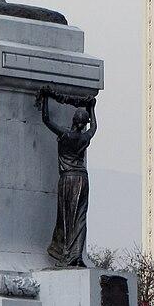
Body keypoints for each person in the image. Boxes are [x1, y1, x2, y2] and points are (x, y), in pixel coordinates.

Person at [38, 89, 97, 267]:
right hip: (83, 178)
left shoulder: (65, 135)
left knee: (67, 217)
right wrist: (92, 108)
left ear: (73, 120)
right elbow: (94, 128)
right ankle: (77, 255)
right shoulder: (85, 137)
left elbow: (46, 120)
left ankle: (68, 255)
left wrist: (45, 99)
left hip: (68, 179)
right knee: (80, 218)